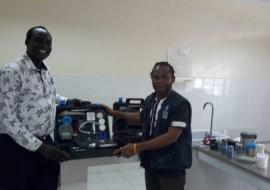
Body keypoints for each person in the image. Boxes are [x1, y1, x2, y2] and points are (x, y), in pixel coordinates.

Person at [0, 26, 71, 190]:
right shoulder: (11, 71)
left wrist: (68, 101)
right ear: (27, 41)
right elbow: (5, 117)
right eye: (38, 40)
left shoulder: (45, 70)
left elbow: (49, 96)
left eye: (48, 42)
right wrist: (39, 147)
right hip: (16, 148)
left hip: (45, 144)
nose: (44, 45)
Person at [103, 62, 192, 190]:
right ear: (151, 78)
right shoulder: (151, 99)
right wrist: (114, 113)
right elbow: (141, 118)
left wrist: (136, 147)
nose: (159, 81)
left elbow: (171, 136)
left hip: (171, 168)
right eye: (156, 77)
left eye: (164, 77)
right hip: (151, 164)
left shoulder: (180, 104)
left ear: (172, 79)